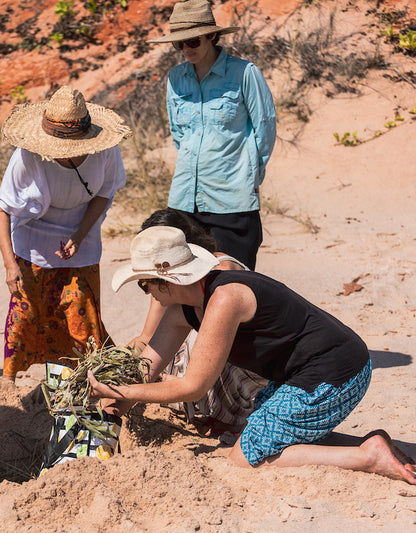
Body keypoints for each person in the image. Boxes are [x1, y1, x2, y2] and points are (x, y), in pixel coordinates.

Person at [88, 226, 416, 484]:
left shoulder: (225, 298)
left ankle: (367, 457)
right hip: (302, 374)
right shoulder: (183, 309)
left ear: (166, 280)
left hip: (336, 372)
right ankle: (366, 443)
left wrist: (125, 392)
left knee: (245, 458)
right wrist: (109, 411)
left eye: (144, 285)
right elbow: (146, 367)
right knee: (261, 435)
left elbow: (194, 387)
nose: (146, 292)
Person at [0, 86, 131, 382]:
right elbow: (2, 209)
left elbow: (104, 193)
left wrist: (80, 235)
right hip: (32, 243)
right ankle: (8, 385)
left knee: (81, 315)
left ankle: (80, 383)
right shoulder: (28, 157)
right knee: (27, 316)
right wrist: (10, 265)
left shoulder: (105, 151)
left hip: (83, 239)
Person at [149, 0, 276, 270]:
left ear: (212, 36)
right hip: (185, 200)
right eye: (179, 43)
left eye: (193, 41)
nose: (186, 48)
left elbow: (265, 129)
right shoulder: (175, 78)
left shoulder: (245, 73)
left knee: (233, 280)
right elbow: (179, 134)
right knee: (186, 280)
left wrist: (248, 175)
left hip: (233, 200)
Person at [128, 208, 267, 438]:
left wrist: (129, 390)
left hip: (248, 364)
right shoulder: (166, 281)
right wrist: (118, 366)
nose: (147, 290)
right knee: (164, 343)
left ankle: (229, 417)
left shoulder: (221, 273)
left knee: (196, 340)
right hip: (214, 369)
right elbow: (147, 338)